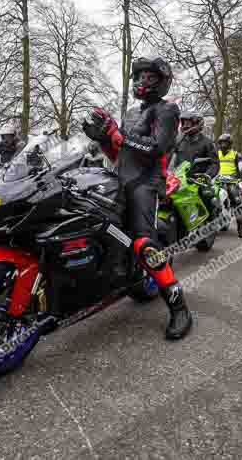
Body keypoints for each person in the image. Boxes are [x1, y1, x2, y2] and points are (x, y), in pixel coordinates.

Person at [82, 56, 192, 340]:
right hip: (118, 179)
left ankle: (179, 307)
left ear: (163, 82)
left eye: (151, 77)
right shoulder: (130, 113)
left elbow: (157, 148)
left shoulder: (168, 110)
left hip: (147, 184)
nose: (144, 81)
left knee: (144, 245)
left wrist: (117, 136)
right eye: (140, 76)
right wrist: (103, 139)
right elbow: (119, 155)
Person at [174, 111, 219, 215]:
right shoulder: (179, 142)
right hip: (180, 180)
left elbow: (215, 163)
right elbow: (170, 158)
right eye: (184, 123)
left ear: (197, 124)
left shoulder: (207, 143)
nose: (185, 126)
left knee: (207, 196)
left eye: (188, 123)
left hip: (199, 181)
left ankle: (211, 222)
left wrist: (206, 176)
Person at [216, 133, 242, 238]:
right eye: (221, 143)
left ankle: (240, 228)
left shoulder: (236, 155)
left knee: (237, 201)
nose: (223, 145)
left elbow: (240, 168)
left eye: (225, 143)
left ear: (229, 144)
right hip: (217, 181)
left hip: (231, 182)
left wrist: (238, 175)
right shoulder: (216, 154)